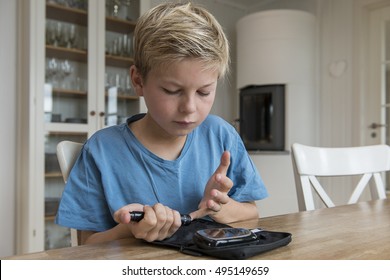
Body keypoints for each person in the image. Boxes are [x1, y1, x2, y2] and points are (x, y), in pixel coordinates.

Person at [55, 1, 268, 245]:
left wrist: (218, 207)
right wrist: (130, 230)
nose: (189, 107)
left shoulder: (222, 136)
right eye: (171, 90)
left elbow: (252, 215)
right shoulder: (101, 151)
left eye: (204, 92)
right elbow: (86, 245)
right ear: (138, 81)